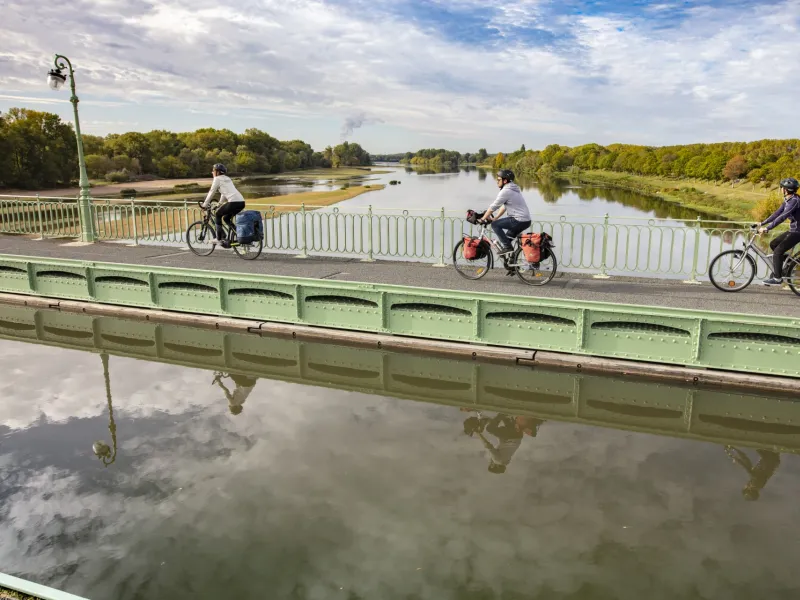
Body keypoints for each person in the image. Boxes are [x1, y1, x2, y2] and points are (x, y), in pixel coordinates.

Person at [758, 177, 800, 286]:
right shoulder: (788, 200)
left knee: (777, 252)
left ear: (786, 190)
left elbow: (782, 217)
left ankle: (777, 278)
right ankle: (788, 265)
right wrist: (762, 223)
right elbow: (777, 213)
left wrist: (767, 228)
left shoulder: (794, 201)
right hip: (794, 230)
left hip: (798, 232)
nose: (780, 189)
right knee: (774, 244)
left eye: (781, 187)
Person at [481, 169, 532, 256]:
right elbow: (504, 206)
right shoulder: (512, 189)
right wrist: (495, 218)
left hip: (519, 220)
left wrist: (483, 218)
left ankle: (508, 247)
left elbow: (494, 206)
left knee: (495, 225)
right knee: (507, 239)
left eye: (499, 180)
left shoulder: (506, 191)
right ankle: (512, 264)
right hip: (525, 220)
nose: (497, 181)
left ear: (505, 180)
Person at [201, 163, 246, 247]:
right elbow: (224, 193)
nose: (212, 172)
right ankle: (239, 234)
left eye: (213, 171)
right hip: (241, 202)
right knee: (226, 218)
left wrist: (204, 205)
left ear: (217, 172)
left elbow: (212, 191)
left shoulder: (217, 179)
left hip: (233, 202)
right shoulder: (227, 178)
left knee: (218, 214)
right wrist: (219, 204)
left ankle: (218, 239)